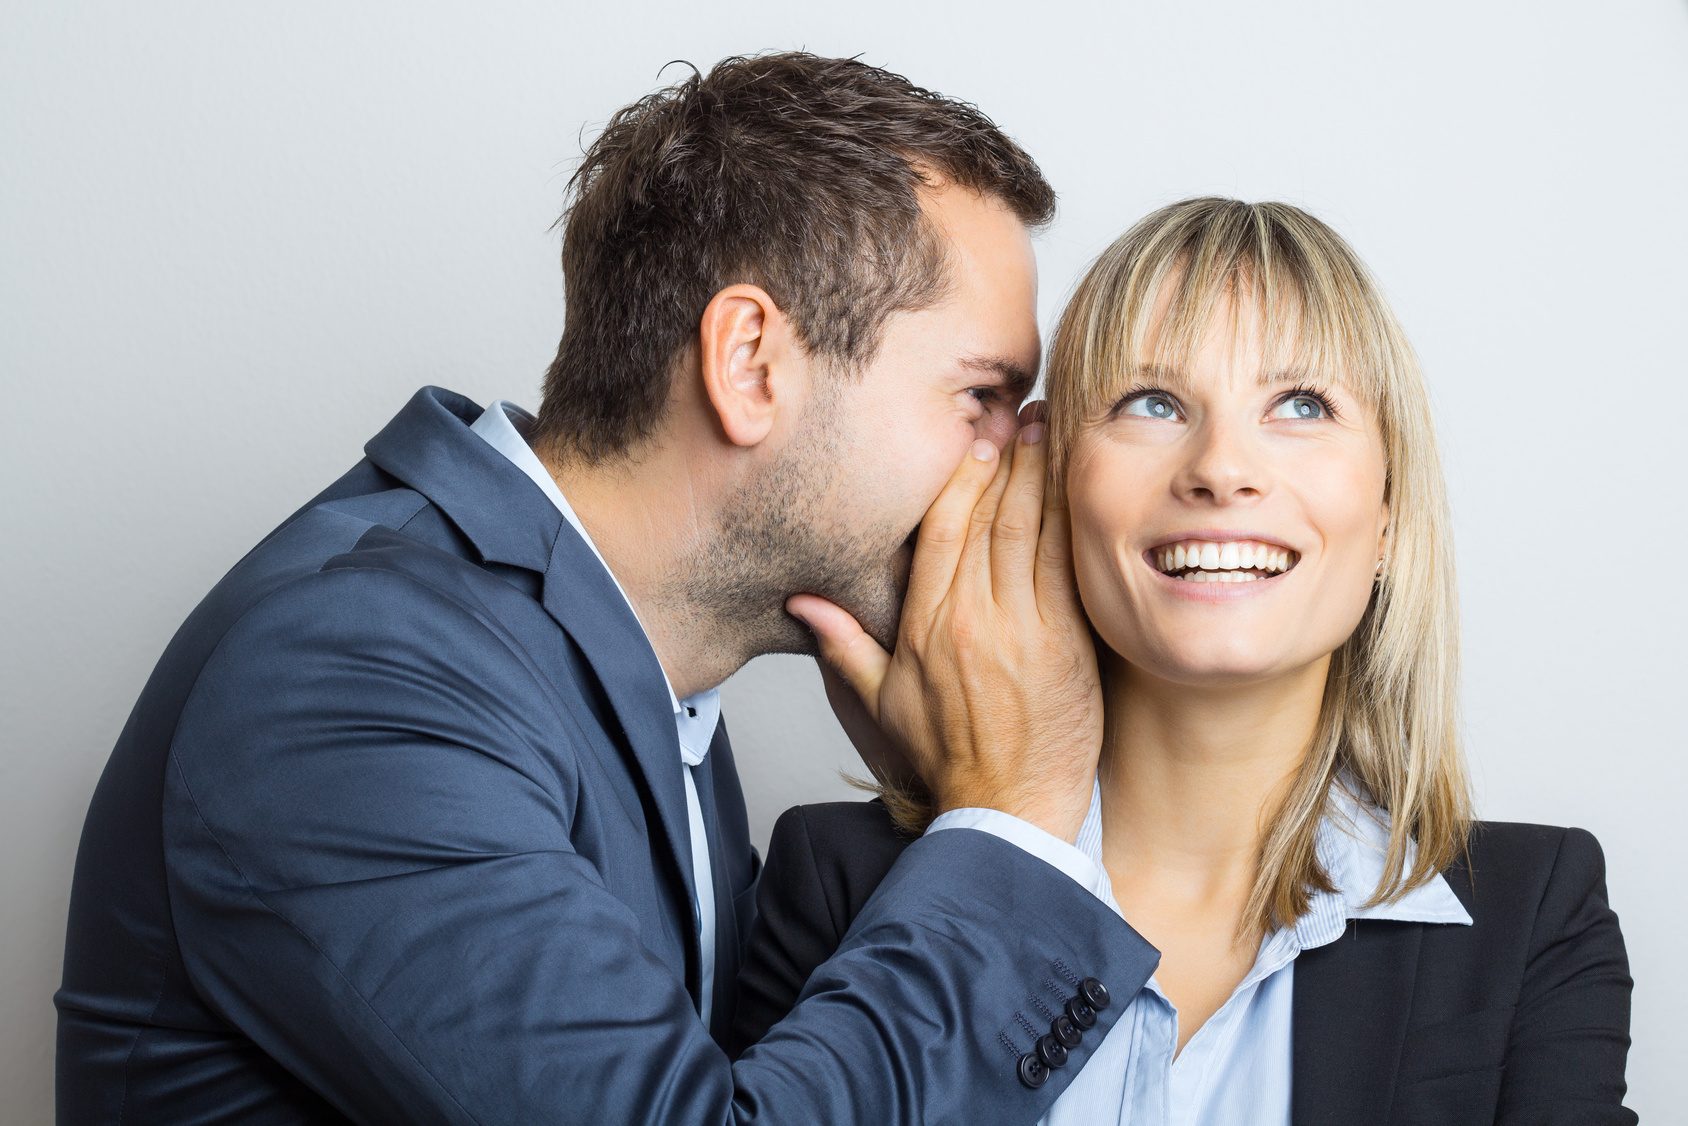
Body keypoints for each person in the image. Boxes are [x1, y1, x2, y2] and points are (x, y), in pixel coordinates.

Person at [54, 53, 1159, 1124]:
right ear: (751, 365)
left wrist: (943, 814)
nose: (1011, 461)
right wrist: (1012, 819)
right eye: (979, 395)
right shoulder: (356, 678)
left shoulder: (621, 662)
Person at [732, 198, 1636, 1124]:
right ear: (1048, 484)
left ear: (1389, 514)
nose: (1221, 468)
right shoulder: (841, 879)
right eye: (1152, 403)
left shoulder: (1535, 918)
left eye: (1302, 405)